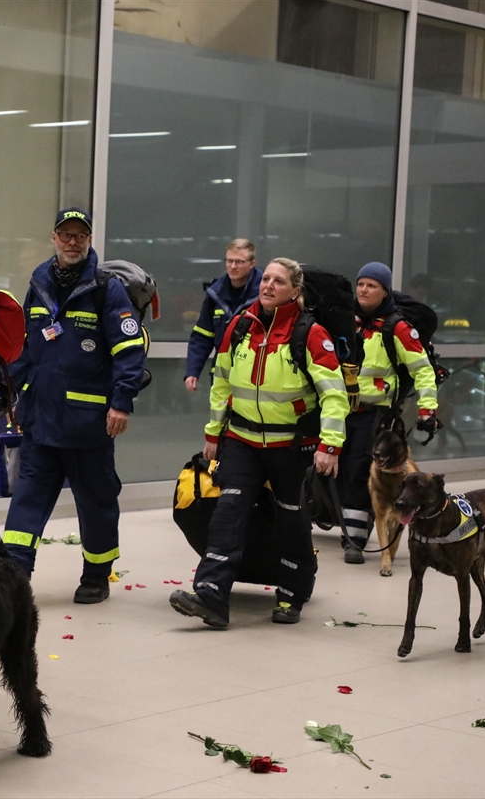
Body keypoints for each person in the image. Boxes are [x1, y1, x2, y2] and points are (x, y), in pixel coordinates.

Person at [170, 258, 349, 628]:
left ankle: (292, 594)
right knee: (228, 512)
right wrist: (213, 433)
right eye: (266, 278)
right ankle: (211, 596)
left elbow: (334, 395)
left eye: (278, 281)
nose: (268, 285)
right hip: (242, 441)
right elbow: (221, 380)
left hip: (291, 447)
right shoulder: (240, 326)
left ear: (295, 291)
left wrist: (329, 445)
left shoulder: (310, 333)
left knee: (290, 519)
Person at [2, 208, 148, 603]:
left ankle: (96, 576)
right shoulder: (39, 283)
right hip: (40, 421)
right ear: (54, 238)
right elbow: (25, 347)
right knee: (26, 502)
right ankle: (13, 578)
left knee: (96, 504)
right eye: (65, 234)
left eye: (79, 235)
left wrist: (121, 403)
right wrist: (13, 393)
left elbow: (129, 351)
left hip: (89, 425)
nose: (72, 242)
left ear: (89, 240)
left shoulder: (106, 289)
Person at [336, 262, 439, 563]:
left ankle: (355, 541)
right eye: (361, 284)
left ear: (385, 291)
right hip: (340, 410)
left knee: (359, 471)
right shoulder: (346, 322)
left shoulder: (398, 328)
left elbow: (423, 370)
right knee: (339, 470)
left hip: (376, 414)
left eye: (372, 285)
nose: (364, 290)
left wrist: (427, 410)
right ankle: (349, 527)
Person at [184, 238, 261, 392]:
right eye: (229, 261)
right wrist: (193, 371)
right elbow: (202, 336)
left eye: (239, 262)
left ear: (252, 264)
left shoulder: (265, 294)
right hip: (222, 376)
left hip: (255, 375)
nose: (233, 266)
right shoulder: (215, 294)